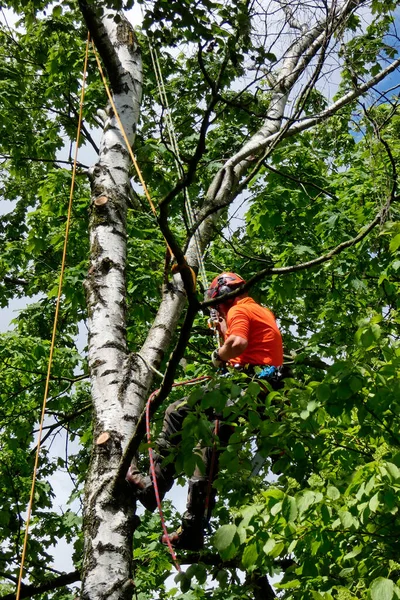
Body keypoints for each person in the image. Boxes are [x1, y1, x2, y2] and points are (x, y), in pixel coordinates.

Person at [126, 272, 284, 550]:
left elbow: (237, 344)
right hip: (259, 387)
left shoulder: (240, 309)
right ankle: (193, 527)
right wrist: (223, 332)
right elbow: (246, 347)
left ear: (224, 296)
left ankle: (156, 486)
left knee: (177, 412)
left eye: (217, 304)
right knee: (206, 447)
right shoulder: (258, 310)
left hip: (246, 385)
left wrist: (217, 355)